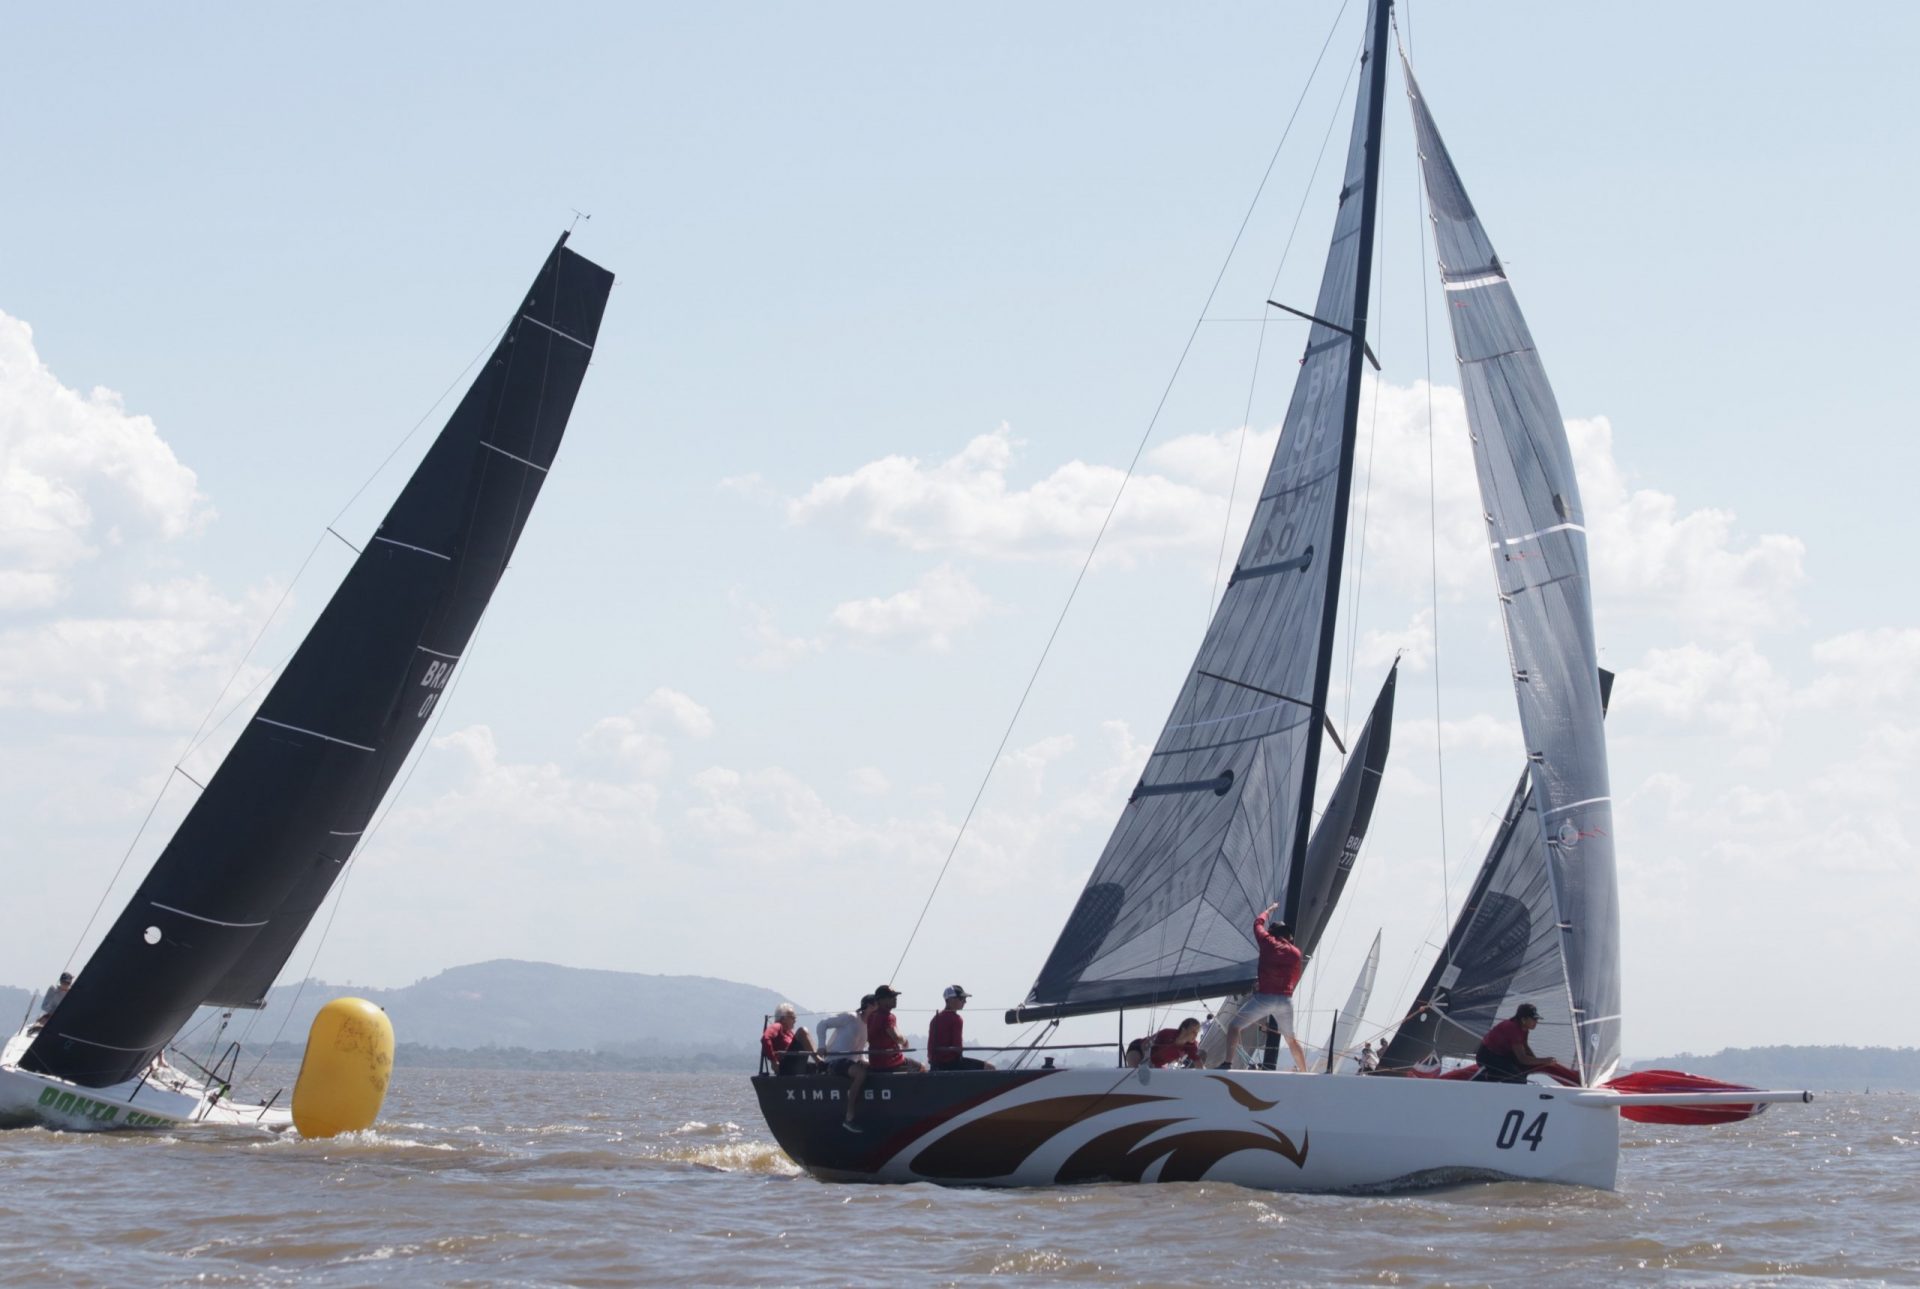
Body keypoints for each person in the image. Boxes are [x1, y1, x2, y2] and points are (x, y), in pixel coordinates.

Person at [1224, 903, 1307, 1071]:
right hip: (1285, 1000)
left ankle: (1227, 1063)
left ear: (1273, 933)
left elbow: (1257, 923)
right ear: (1288, 935)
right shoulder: (1295, 952)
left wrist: (1269, 910)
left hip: (1265, 998)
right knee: (1291, 1039)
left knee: (1234, 1027)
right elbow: (1295, 976)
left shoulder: (1267, 941)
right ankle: (1305, 1072)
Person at [1474, 1003, 1577, 1084]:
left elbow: (1525, 1047)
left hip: (1502, 1055)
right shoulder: (1512, 1028)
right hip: (1487, 1056)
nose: (1536, 1022)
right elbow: (1522, 1058)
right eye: (1534, 1019)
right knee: (1518, 1079)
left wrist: (1537, 1062)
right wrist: (1544, 1060)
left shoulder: (1524, 1028)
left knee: (1525, 1070)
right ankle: (1483, 1079)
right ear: (1523, 1019)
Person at [817, 994, 876, 1130]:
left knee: (872, 1069)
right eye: (877, 1007)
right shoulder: (850, 1017)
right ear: (868, 1006)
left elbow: (859, 1051)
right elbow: (822, 1024)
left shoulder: (868, 1027)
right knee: (861, 1074)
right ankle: (849, 1117)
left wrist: (867, 1062)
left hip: (850, 1063)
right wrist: (821, 1045)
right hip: (834, 1061)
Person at [929, 985, 994, 1071]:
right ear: (951, 1000)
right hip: (952, 1064)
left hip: (935, 1065)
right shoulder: (956, 1019)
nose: (965, 1002)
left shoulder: (935, 1018)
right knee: (990, 1068)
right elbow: (958, 1048)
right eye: (962, 999)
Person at [865, 985, 925, 1075]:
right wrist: (905, 1041)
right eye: (891, 997)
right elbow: (896, 1037)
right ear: (880, 1000)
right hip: (890, 1062)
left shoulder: (871, 1016)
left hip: (875, 1063)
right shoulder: (888, 1017)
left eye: (895, 996)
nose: (895, 999)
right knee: (922, 1068)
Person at [761, 1003, 817, 1076]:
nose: (795, 1020)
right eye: (792, 1018)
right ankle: (819, 1061)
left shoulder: (789, 1032)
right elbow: (765, 1038)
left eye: (795, 1018)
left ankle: (821, 1063)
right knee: (802, 1031)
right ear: (783, 1019)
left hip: (795, 1063)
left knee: (816, 1068)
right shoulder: (777, 1026)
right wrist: (773, 1061)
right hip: (785, 1066)